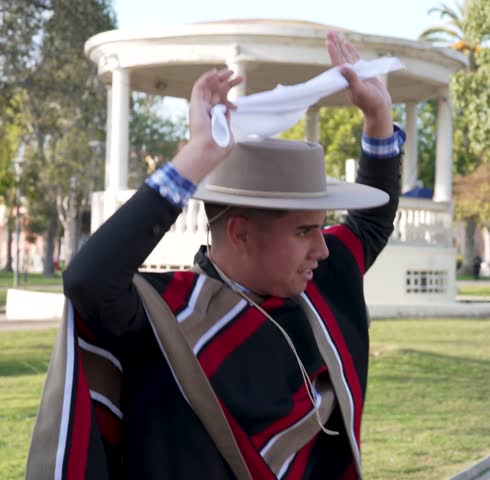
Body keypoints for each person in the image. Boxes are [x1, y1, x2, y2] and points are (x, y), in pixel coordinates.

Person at [27, 32, 402, 480]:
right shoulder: (166, 320)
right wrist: (198, 154)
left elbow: (371, 224)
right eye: (304, 230)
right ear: (241, 232)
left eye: (321, 227)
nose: (322, 247)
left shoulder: (319, 284)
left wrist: (378, 117)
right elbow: (88, 281)